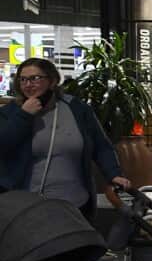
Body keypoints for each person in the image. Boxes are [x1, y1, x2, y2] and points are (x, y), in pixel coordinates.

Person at [0, 57, 130, 217]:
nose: (28, 85)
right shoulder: (9, 113)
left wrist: (114, 174)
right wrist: (24, 116)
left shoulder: (77, 109)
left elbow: (100, 145)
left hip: (75, 203)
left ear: (52, 81)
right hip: (28, 205)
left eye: (35, 78)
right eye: (23, 80)